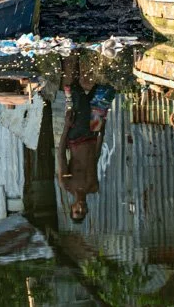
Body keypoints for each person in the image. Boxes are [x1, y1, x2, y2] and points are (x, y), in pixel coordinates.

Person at [58, 53, 114, 223]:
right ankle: (98, 54)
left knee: (78, 94)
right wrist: (102, 133)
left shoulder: (67, 184)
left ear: (72, 207)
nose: (81, 208)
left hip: (77, 136)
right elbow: (94, 160)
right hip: (93, 134)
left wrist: (67, 126)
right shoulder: (93, 187)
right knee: (105, 90)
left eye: (77, 211)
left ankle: (72, 55)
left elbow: (60, 154)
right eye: (83, 211)